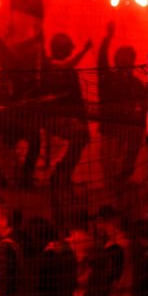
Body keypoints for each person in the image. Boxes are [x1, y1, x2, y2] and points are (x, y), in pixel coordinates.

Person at [97, 22, 148, 184]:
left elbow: (144, 103)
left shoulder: (136, 84)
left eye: (129, 57)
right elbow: (101, 60)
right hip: (110, 129)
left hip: (127, 130)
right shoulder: (108, 78)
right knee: (108, 171)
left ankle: (125, 175)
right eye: (123, 57)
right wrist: (108, 37)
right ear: (117, 59)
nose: (126, 61)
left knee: (119, 174)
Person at [40, 32, 93, 186]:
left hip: (68, 117)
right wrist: (85, 50)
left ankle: (62, 175)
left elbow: (74, 96)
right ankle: (60, 175)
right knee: (80, 137)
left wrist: (81, 117)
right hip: (55, 118)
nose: (70, 51)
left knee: (82, 138)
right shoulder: (51, 66)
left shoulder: (68, 71)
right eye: (68, 48)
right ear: (61, 49)